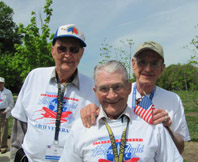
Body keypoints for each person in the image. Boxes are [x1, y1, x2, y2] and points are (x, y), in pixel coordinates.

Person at [59, 60, 183, 162]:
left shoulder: (152, 126)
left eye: (118, 87)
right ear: (95, 92)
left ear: (129, 88)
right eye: (104, 89)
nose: (112, 95)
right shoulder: (82, 127)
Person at [80, 41, 190, 154]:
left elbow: (180, 150)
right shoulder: (117, 95)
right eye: (142, 62)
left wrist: (167, 128)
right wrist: (89, 110)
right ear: (133, 64)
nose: (148, 69)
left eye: (154, 63)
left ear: (161, 69)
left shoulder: (173, 100)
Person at [10, 24, 99, 162]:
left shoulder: (92, 86)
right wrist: (14, 156)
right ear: (53, 51)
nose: (68, 54)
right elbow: (19, 125)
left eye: (74, 49)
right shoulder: (35, 76)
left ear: (81, 54)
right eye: (62, 48)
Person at [0, 77, 14, 154]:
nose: (0, 84)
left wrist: (6, 111)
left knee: (4, 130)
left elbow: (11, 103)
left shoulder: (8, 92)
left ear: (3, 84)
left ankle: (3, 146)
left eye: (1, 83)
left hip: (3, 112)